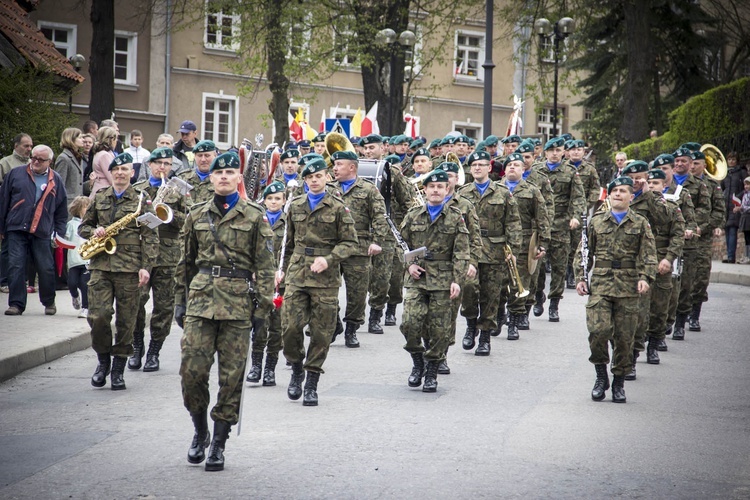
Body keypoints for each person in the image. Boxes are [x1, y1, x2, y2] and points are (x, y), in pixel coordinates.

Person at [174, 151, 274, 471]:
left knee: (231, 379)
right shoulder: (196, 214)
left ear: (239, 178)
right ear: (212, 178)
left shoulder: (254, 216)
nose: (224, 177)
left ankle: (218, 441)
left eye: (231, 172)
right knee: (192, 373)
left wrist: (263, 310)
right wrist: (180, 300)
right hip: (201, 302)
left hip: (238, 307)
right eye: (219, 173)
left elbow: (266, 266)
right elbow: (185, 262)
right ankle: (200, 430)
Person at [278, 156, 358, 406]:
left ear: (326, 177)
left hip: (325, 278)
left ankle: (311, 380)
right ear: (305, 180)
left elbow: (350, 243)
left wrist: (330, 259)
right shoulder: (295, 205)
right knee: (290, 327)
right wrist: (280, 271)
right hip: (297, 273)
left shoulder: (338, 207)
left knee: (322, 333)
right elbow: (287, 245)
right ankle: (296, 367)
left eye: (318, 176)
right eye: (309, 177)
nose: (314, 181)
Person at [78, 152, 158, 390]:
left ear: (132, 173)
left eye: (125, 169)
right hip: (101, 266)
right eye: (116, 170)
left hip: (130, 269)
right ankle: (103, 362)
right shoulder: (100, 196)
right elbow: (84, 226)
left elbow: (151, 236)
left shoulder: (143, 201)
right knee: (99, 316)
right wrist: (95, 232)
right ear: (111, 173)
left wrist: (146, 267)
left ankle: (118, 369)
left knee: (127, 321)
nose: (120, 173)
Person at [575, 177, 656, 404]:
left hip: (629, 285)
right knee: (598, 331)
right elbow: (583, 252)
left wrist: (645, 278)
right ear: (609, 196)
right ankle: (601, 376)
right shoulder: (596, 221)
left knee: (624, 338)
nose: (618, 194)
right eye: (614, 191)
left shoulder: (640, 223)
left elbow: (648, 254)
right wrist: (581, 278)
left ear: (631, 196)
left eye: (623, 191)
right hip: (600, 283)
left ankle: (619, 382)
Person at [399, 169, 469, 392]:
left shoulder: (456, 216)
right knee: (409, 323)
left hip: (443, 278)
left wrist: (457, 280)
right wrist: (408, 265)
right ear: (425, 190)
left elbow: (461, 252)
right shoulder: (413, 215)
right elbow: (401, 246)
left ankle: (431, 371)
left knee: (440, 330)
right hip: (417, 277)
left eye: (440, 187)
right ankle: (418, 360)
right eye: (432, 187)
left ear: (447, 189)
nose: (436, 190)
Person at [621, 161, 684, 377]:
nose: (637, 181)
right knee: (634, 315)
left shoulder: (659, 200)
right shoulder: (619, 197)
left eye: (642, 177)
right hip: (629, 266)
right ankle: (628, 358)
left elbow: (667, 221)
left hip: (657, 263)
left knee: (658, 310)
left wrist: (669, 258)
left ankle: (653, 344)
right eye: (633, 177)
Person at [458, 150, 522, 355]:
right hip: (470, 250)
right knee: (468, 289)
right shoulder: (463, 193)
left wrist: (513, 250)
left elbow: (513, 222)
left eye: (481, 164)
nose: (477, 167)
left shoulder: (502, 193)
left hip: (495, 249)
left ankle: (485, 336)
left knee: (491, 294)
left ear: (489, 168)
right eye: (474, 165)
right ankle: (470, 325)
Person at [130, 147, 187, 372]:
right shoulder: (137, 191)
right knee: (135, 303)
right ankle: (137, 347)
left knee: (164, 307)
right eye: (158, 163)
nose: (162, 167)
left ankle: (154, 351)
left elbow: (186, 219)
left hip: (167, 255)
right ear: (149, 164)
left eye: (167, 164)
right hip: (141, 256)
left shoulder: (177, 191)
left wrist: (166, 216)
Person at [0, 145, 68, 315]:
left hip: (42, 230)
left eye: (40, 159)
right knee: (16, 265)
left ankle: (49, 301)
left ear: (49, 161)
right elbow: (3, 201)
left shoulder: (56, 179)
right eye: (33, 157)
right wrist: (2, 227)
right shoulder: (15, 174)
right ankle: (16, 304)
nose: (35, 161)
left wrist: (59, 233)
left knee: (45, 267)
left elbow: (61, 210)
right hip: (16, 227)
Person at [330, 150, 388, 347]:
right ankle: (334, 321)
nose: (334, 168)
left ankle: (352, 329)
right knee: (326, 289)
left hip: (359, 246)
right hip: (332, 247)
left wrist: (377, 241)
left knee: (357, 292)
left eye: (339, 164)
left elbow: (380, 217)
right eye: (334, 164)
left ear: (352, 167)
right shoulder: (329, 188)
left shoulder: (369, 189)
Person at [360, 134, 414, 333]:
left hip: (387, 231)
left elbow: (407, 203)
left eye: (372, 147)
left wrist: (406, 231)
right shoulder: (355, 170)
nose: (368, 152)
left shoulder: (392, 173)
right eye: (365, 148)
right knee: (362, 276)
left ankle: (378, 313)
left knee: (385, 277)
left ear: (384, 148)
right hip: (361, 231)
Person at [532, 136, 585, 322]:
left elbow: (578, 198)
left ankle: (554, 303)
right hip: (540, 226)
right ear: (545, 152)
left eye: (558, 150)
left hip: (562, 224)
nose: (555, 154)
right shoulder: (536, 171)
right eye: (551, 150)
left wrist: (576, 217)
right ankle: (538, 295)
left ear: (563, 152)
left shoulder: (570, 172)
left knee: (559, 267)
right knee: (537, 267)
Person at [499, 153, 550, 339]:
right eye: (509, 164)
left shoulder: (532, 190)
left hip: (524, 242)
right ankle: (498, 314)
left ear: (523, 169)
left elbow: (542, 218)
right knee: (498, 283)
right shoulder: (496, 189)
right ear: (505, 169)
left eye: (517, 165)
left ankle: (513, 320)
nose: (513, 167)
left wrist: (542, 244)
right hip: (498, 242)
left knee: (518, 283)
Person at [246, 181, 288, 386]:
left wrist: (283, 272)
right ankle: (256, 366)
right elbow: (248, 248)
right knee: (260, 324)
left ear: (284, 200)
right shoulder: (256, 220)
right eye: (270, 199)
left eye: (277, 199)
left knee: (277, 328)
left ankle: (270, 369)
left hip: (281, 282)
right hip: (260, 281)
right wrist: (253, 270)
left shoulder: (289, 222)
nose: (273, 202)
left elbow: (291, 250)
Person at [441, 161, 481, 373]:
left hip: (455, 266)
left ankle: (442, 354)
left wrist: (472, 262)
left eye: (450, 176)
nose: (446, 180)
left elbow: (475, 238)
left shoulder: (465, 205)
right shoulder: (421, 203)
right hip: (429, 268)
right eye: (443, 175)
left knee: (449, 311)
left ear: (457, 180)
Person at [669, 147, 711, 340]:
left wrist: (692, 227)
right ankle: (664, 321)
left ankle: (681, 322)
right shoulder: (664, 183)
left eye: (683, 161)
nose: (679, 164)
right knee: (666, 284)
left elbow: (704, 210)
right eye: (676, 161)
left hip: (688, 241)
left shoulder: (698, 185)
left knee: (686, 283)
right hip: (667, 241)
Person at [687, 150, 726, 332]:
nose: (693, 166)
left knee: (701, 277)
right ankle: (680, 312)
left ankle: (695, 315)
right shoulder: (681, 183)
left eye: (696, 163)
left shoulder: (712, 185)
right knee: (682, 278)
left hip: (702, 239)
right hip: (682, 238)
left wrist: (703, 228)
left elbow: (719, 211)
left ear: (704, 164)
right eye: (691, 163)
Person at [564, 139, 601, 289]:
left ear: (583, 152)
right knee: (564, 243)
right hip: (564, 210)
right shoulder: (563, 167)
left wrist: (585, 205)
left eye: (578, 149)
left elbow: (595, 189)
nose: (575, 152)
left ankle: (573, 274)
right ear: (567, 152)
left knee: (577, 243)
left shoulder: (590, 169)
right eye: (572, 149)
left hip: (581, 210)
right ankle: (565, 270)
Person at [65, 196, 91, 318]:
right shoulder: (71, 224)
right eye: (85, 207)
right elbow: (65, 238)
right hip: (74, 261)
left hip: (87, 261)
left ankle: (86, 308)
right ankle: (75, 296)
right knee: (72, 283)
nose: (88, 209)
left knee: (85, 284)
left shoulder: (91, 225)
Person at [721, 152, 746, 262]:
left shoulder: (741, 172)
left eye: (733, 159)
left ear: (737, 160)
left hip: (736, 204)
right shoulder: (725, 173)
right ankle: (729, 254)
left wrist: (738, 198)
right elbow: (722, 188)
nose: (731, 161)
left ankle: (731, 256)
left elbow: (746, 188)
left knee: (732, 230)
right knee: (726, 229)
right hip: (726, 205)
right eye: (729, 159)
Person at [178, 140, 217, 205]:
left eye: (207, 155)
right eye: (200, 156)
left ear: (215, 156)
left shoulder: (221, 179)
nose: (203, 160)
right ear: (195, 157)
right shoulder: (183, 177)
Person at [54, 128, 85, 198]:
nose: (83, 140)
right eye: (80, 137)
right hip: (68, 203)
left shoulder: (79, 157)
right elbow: (59, 184)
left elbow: (77, 184)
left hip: (78, 202)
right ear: (71, 139)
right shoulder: (64, 158)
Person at [89, 127, 118, 197]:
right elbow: (111, 177)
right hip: (103, 192)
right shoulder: (104, 155)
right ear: (111, 139)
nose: (116, 141)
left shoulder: (100, 152)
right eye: (116, 138)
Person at [738, 177, 750, 263]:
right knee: (746, 237)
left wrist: (742, 207)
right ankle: (747, 256)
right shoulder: (745, 194)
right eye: (745, 184)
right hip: (745, 216)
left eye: (748, 184)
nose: (746, 186)